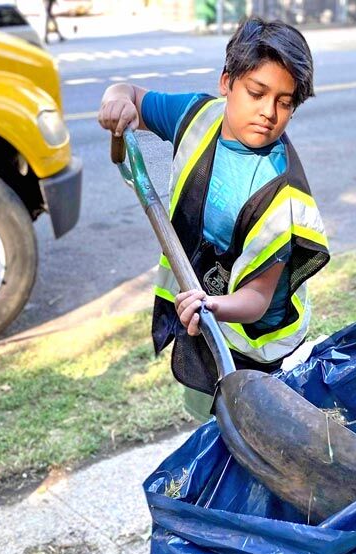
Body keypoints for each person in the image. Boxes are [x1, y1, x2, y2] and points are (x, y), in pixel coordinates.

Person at [97, 17, 329, 421]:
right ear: (227, 83)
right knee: (205, 424)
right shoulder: (196, 115)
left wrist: (213, 306)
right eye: (256, 93)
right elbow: (131, 95)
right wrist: (116, 98)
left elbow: (257, 300)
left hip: (259, 348)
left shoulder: (281, 192)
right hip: (204, 314)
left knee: (252, 438)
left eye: (285, 101)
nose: (269, 112)